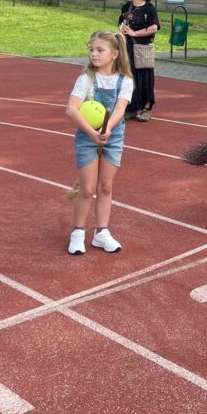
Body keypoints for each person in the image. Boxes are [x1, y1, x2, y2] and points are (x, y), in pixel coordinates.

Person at [66, 30, 134, 255]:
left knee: (105, 186)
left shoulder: (126, 81)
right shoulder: (86, 79)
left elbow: (120, 110)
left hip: (113, 137)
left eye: (99, 50)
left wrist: (106, 130)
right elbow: (72, 109)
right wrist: (93, 134)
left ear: (114, 54)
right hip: (87, 137)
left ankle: (101, 233)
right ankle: (78, 232)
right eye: (91, 49)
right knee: (87, 189)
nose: (93, 54)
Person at [118, 0, 159, 122]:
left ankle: (146, 108)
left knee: (145, 78)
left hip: (143, 49)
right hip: (128, 48)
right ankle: (132, 108)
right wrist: (122, 29)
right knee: (130, 77)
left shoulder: (149, 8)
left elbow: (153, 28)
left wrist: (134, 33)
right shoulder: (127, 7)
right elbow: (121, 23)